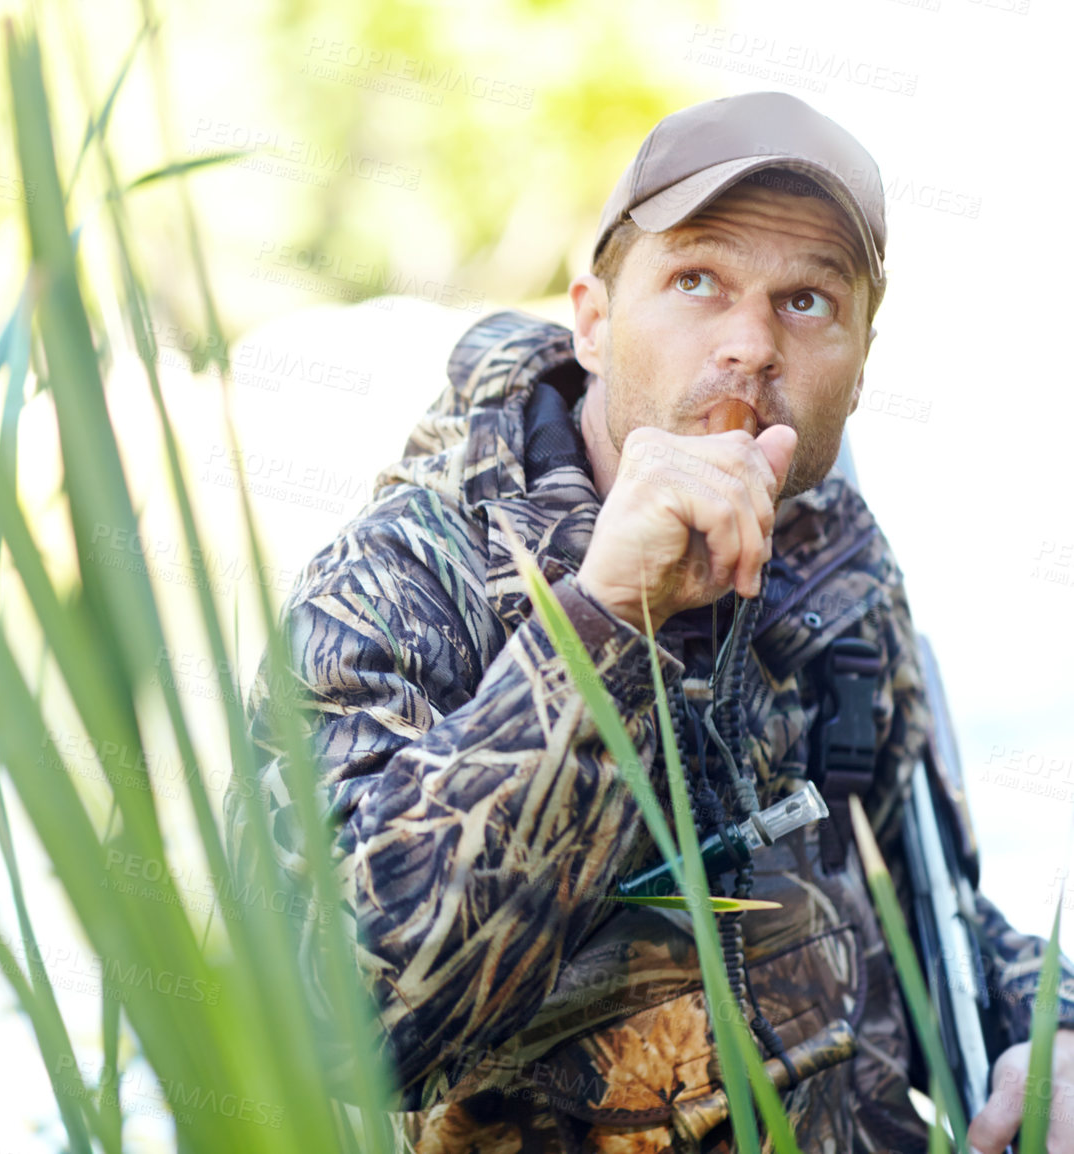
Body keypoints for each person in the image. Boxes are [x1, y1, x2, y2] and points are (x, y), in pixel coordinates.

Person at [224, 90, 1074, 1153]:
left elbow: (917, 914)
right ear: (592, 317)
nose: (750, 345)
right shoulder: (398, 581)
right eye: (695, 281)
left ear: (860, 365)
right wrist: (598, 626)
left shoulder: (838, 557)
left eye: (807, 301)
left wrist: (1046, 1026)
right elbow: (335, 1026)